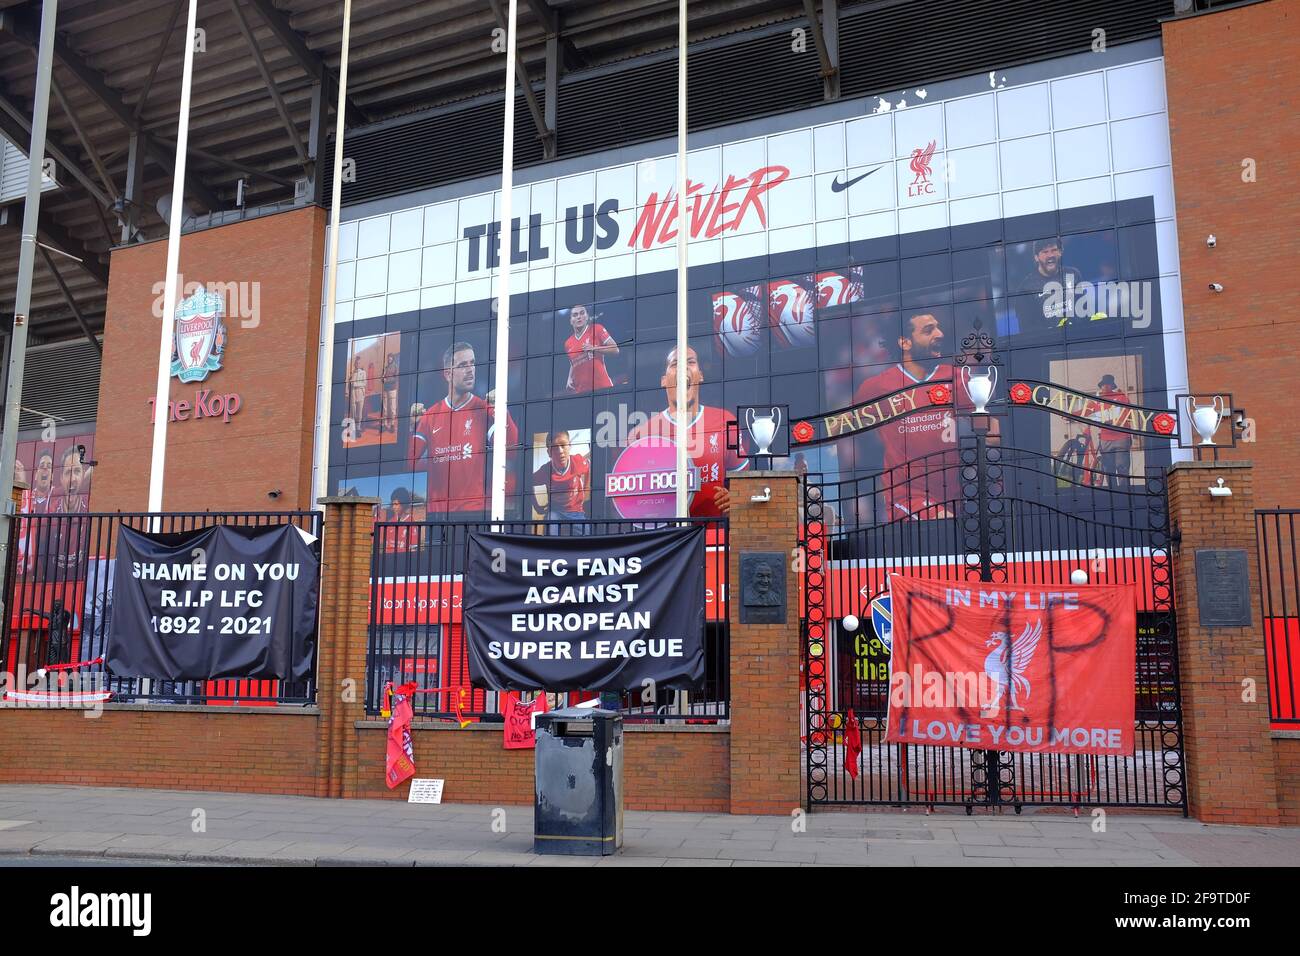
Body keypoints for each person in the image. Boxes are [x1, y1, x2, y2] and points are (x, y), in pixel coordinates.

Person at [851, 312, 960, 521]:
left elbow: (988, 427)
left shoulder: (955, 376)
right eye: (928, 330)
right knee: (945, 522)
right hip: (908, 495)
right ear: (905, 342)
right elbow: (843, 423)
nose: (940, 333)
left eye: (938, 327)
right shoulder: (877, 386)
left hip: (955, 492)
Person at [625, 345, 746, 517]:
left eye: (690, 362)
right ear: (664, 380)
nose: (683, 367)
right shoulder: (644, 433)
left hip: (713, 537)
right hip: (668, 539)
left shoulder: (725, 421)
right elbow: (631, 497)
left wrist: (735, 498)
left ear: (701, 375)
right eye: (675, 364)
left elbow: (743, 483)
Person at [408, 341, 518, 516]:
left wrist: (502, 411)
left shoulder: (484, 408)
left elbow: (510, 450)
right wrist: (412, 429)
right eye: (462, 365)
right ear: (448, 374)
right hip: (437, 514)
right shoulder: (430, 415)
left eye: (472, 363)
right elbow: (411, 464)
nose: (470, 370)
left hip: (472, 511)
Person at [1013, 238, 1085, 335]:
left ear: (1060, 252)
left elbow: (1084, 311)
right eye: (1045, 252)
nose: (1050, 255)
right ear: (1036, 257)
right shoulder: (1025, 289)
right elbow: (1027, 331)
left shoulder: (1073, 274)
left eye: (1054, 250)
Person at [532, 431, 591, 533]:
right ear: (549, 452)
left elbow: (589, 467)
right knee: (550, 525)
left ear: (569, 446)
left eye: (563, 445)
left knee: (586, 535)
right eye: (554, 448)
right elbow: (527, 483)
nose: (560, 451)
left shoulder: (577, 462)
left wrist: (586, 489)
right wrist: (536, 506)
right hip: (555, 511)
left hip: (575, 511)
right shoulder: (545, 470)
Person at [563, 304, 618, 394]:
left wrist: (594, 348)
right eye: (575, 315)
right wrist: (569, 378)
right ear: (571, 320)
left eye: (582, 313)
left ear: (587, 316)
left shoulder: (597, 329)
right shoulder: (568, 343)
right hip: (582, 392)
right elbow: (572, 362)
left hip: (603, 388)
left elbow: (615, 349)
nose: (579, 317)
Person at [1092, 374, 1133, 487]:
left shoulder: (1121, 397)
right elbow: (1087, 410)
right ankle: (1112, 492)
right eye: (1103, 384)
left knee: (1121, 466)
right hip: (1106, 438)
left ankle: (1124, 491)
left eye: (1107, 384)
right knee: (1108, 468)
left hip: (1121, 436)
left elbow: (1127, 410)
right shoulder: (1098, 400)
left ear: (1111, 386)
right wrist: (1071, 414)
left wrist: (1118, 423)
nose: (1105, 386)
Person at [53, 446, 90, 514]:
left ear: (83, 475)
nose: (72, 479)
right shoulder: (52, 510)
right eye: (68, 472)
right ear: (61, 478)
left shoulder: (90, 504)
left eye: (77, 471)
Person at [348, 356, 368, 433]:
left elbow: (364, 383)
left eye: (359, 363)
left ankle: (358, 428)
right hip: (353, 394)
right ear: (354, 364)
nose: (357, 364)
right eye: (356, 363)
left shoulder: (363, 373)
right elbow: (349, 384)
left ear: (360, 364)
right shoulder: (352, 373)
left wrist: (355, 384)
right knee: (353, 413)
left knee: (359, 413)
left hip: (360, 394)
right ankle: (352, 429)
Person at [382, 353, 399, 431]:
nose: (389, 359)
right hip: (385, 389)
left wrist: (387, 380)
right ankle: (384, 424)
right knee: (385, 408)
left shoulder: (395, 366)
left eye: (390, 358)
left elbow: (396, 378)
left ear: (392, 358)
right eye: (388, 358)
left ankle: (392, 424)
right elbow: (382, 377)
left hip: (392, 389)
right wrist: (382, 379)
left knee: (392, 408)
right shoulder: (385, 367)